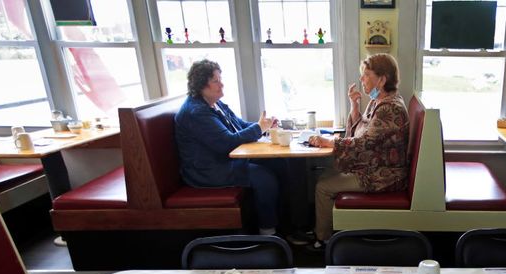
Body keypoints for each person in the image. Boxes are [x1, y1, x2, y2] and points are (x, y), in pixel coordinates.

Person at [305, 53, 409, 251]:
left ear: (382, 79)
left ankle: (323, 240)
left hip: (384, 176)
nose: (361, 79)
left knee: (323, 187)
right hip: (374, 166)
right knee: (326, 175)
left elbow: (364, 142)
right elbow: (364, 129)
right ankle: (325, 228)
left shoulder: (390, 108)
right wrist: (354, 106)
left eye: (366, 74)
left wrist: (329, 142)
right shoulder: (378, 101)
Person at [175, 59, 280, 235]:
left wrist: (265, 126)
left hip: (222, 162)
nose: (221, 84)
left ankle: (283, 224)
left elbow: (240, 126)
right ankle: (268, 233)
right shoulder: (196, 112)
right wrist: (259, 128)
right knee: (263, 177)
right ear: (201, 85)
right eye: (215, 81)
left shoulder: (215, 103)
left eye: (220, 79)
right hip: (206, 171)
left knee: (278, 164)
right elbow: (227, 143)